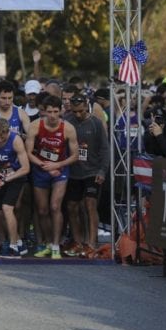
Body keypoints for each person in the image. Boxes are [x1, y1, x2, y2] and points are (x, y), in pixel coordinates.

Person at [26, 94, 79, 259]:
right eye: (50, 111)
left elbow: (75, 156)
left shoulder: (68, 128)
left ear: (61, 111)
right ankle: (48, 243)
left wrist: (57, 166)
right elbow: (28, 153)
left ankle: (56, 245)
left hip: (59, 169)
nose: (53, 115)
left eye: (56, 111)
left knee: (55, 206)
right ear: (44, 112)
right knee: (42, 210)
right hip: (41, 169)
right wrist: (46, 166)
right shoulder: (35, 126)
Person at [64, 94, 109, 253]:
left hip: (92, 171)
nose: (78, 115)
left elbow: (105, 148)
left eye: (81, 111)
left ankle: (91, 243)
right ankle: (77, 241)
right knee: (72, 206)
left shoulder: (96, 123)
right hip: (73, 171)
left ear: (87, 106)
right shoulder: (67, 120)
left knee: (90, 204)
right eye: (75, 111)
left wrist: (103, 170)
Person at [0, 117, 31, 258]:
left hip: (16, 176)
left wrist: (5, 179)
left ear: (7, 133)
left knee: (7, 208)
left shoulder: (16, 141)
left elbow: (26, 168)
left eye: (1, 137)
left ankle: (13, 246)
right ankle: (14, 242)